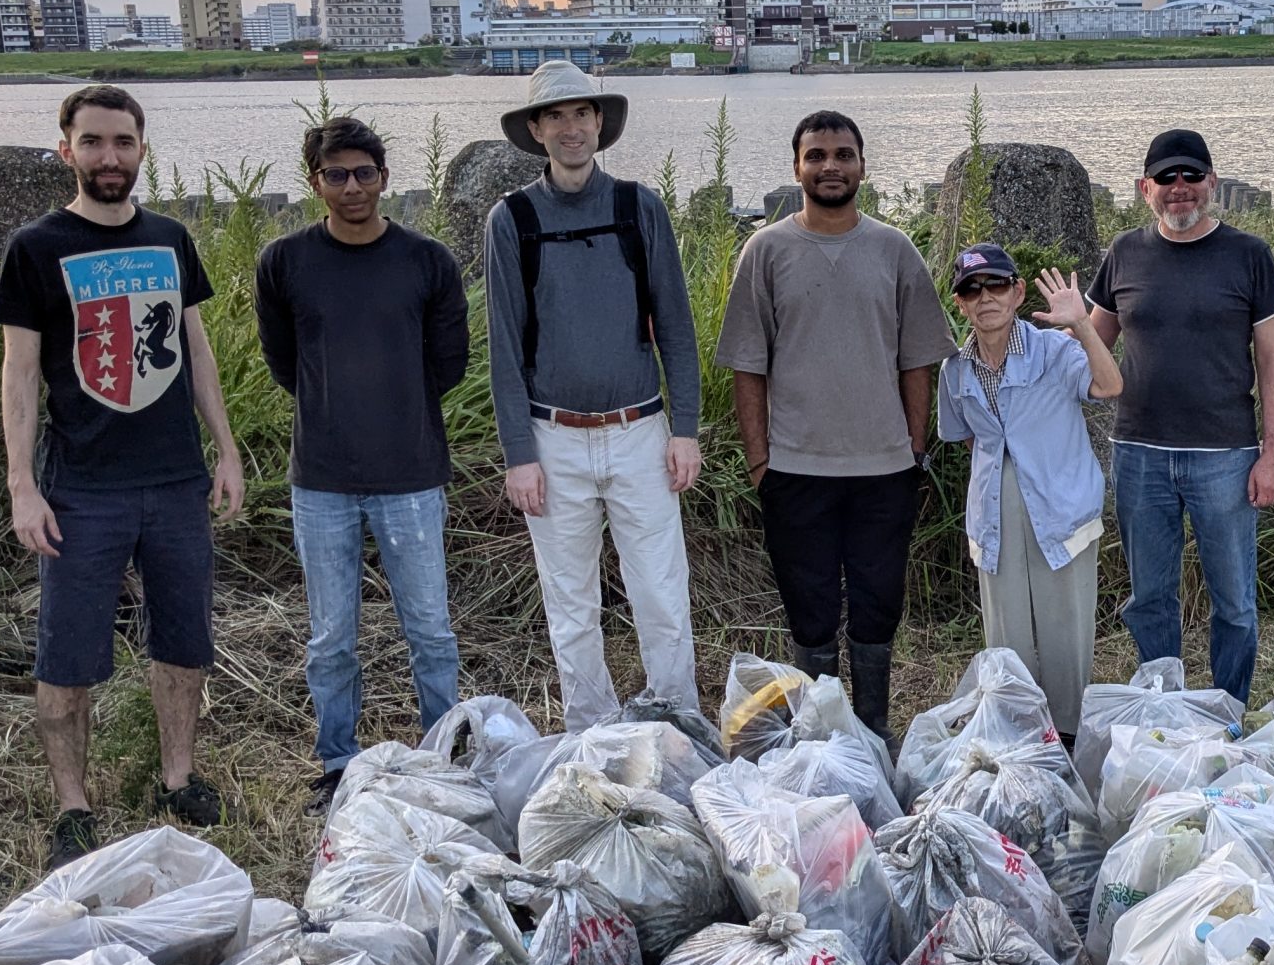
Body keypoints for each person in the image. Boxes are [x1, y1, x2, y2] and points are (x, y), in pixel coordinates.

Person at [0, 84, 246, 868]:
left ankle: (178, 777)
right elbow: (19, 373)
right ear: (66, 150)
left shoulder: (169, 238)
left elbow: (195, 351)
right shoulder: (36, 247)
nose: (110, 157)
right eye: (94, 141)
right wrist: (21, 485)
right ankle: (73, 805)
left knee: (184, 642)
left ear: (142, 149)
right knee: (66, 657)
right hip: (82, 488)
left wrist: (226, 449)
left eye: (124, 142)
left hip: (174, 480)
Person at [256, 115, 470, 810]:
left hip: (411, 473)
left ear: (384, 177)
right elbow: (283, 361)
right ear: (315, 182)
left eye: (364, 173)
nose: (352, 187)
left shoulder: (426, 261)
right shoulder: (284, 262)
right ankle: (338, 763)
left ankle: (441, 755)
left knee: (430, 630)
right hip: (321, 479)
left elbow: (449, 362)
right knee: (331, 638)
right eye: (337, 175)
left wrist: (395, 403)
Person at [717, 109, 951, 741]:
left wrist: (914, 448)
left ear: (863, 167)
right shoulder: (766, 251)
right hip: (795, 469)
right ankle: (819, 737)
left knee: (878, 608)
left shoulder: (894, 250)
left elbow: (918, 361)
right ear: (797, 167)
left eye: (843, 154)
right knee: (810, 612)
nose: (830, 166)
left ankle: (873, 732)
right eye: (816, 155)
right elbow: (748, 366)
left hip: (885, 469)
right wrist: (760, 462)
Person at [486, 59, 703, 730]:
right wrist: (519, 454)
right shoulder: (512, 219)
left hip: (640, 432)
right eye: (555, 116)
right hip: (552, 439)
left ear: (600, 122)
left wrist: (685, 429)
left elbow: (676, 327)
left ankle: (679, 728)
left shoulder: (639, 208)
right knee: (571, 606)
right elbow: (503, 346)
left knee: (662, 595)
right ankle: (592, 738)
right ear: (536, 130)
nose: (570, 128)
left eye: (581, 113)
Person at [1084, 128, 1274, 704]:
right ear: (1144, 188)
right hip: (1139, 453)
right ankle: (1164, 713)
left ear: (1212, 182)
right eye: (1166, 177)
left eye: (1192, 175)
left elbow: (1273, 365)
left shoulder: (1249, 255)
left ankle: (1229, 714)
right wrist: (1046, 334)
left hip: (1226, 456)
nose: (1180, 187)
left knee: (1234, 602)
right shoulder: (1124, 252)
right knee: (1149, 599)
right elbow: (1093, 348)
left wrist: (1273, 456)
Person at [935, 243, 1122, 737]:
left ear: (1017, 292)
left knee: (1066, 634)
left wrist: (1082, 324)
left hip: (1061, 511)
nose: (986, 298)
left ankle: (1068, 736)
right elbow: (968, 437)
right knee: (1007, 637)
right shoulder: (955, 370)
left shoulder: (1054, 350)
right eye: (971, 290)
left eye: (996, 285)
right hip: (995, 517)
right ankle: (1020, 737)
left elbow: (1109, 386)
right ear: (960, 303)